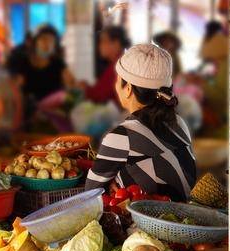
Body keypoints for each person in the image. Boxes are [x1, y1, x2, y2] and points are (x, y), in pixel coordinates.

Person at [85, 44, 196, 202]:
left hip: (148, 225)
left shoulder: (122, 137)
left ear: (128, 88)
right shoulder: (179, 122)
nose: (116, 85)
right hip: (185, 217)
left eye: (118, 80)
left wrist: (113, 185)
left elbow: (90, 194)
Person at [13, 25, 74, 102]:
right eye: (44, 39)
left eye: (51, 40)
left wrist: (73, 86)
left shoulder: (58, 63)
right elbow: (16, 88)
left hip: (53, 109)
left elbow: (71, 84)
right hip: (31, 110)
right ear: (35, 42)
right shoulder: (24, 62)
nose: (47, 44)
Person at [81, 26, 130, 104]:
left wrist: (84, 88)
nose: (100, 46)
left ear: (116, 44)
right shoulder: (119, 62)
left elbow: (98, 95)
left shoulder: (118, 66)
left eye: (103, 41)